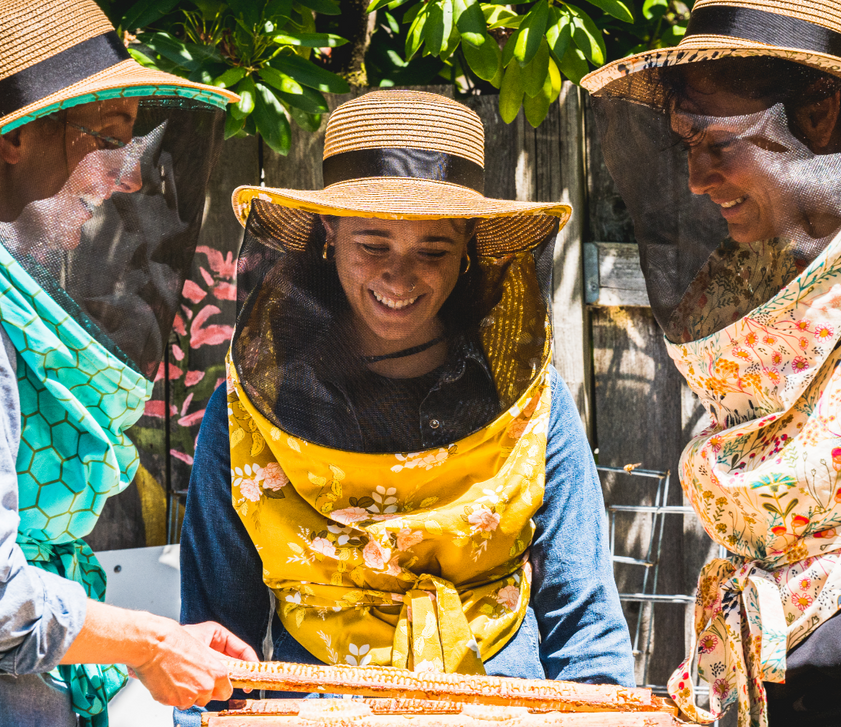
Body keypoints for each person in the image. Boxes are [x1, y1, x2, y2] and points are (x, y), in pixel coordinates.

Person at [177, 90, 635, 722]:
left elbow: (586, 632)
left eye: (433, 251)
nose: (400, 276)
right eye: (374, 244)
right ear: (329, 233)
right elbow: (211, 648)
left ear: (470, 246)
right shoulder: (248, 414)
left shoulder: (530, 404)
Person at [0, 1, 258, 724]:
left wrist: (155, 643)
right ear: (16, 139)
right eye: (108, 140)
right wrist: (152, 643)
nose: (127, 177)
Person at [581, 0, 841, 725]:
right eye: (684, 145)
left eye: (717, 141)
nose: (696, 178)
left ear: (819, 111)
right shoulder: (742, 277)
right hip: (765, 670)